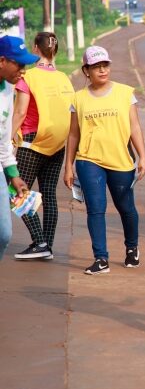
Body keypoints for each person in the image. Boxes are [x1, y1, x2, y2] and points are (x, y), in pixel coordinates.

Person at [63, 46, 145, 275]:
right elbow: (73, 134)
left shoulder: (125, 93)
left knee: (126, 207)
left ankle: (132, 249)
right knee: (95, 209)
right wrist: (68, 166)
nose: (102, 70)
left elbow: (135, 127)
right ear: (86, 70)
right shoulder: (78, 99)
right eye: (96, 67)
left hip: (120, 160)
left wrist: (143, 157)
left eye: (105, 65)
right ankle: (101, 259)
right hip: (88, 160)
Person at [12, 32, 75, 260]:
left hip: (31, 142)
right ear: (55, 51)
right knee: (48, 194)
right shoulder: (64, 78)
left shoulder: (27, 77)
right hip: (57, 143)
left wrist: (8, 138)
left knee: (16, 192)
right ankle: (47, 244)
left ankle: (39, 242)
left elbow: (20, 112)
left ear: (35, 48)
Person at [0, 35, 38, 260]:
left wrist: (13, 175)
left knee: (4, 234)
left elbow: (4, 139)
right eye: (19, 64)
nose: (23, 70)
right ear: (2, 60)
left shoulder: (7, 90)